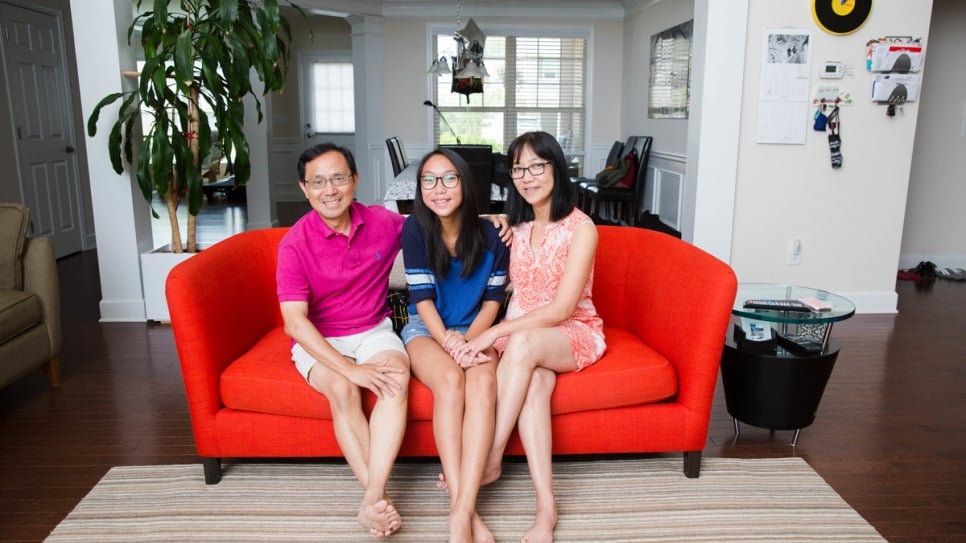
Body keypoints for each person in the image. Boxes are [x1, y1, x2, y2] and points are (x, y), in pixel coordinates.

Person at [452, 131, 606, 543]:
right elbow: (460, 220)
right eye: (519, 168)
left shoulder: (581, 228)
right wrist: (493, 218)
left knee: (521, 345)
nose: (527, 176)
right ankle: (546, 508)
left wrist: (498, 330)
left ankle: (491, 456)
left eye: (538, 166)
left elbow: (560, 309)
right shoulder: (515, 225)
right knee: (535, 385)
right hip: (524, 338)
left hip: (569, 330)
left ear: (557, 168)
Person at [276, 143, 409, 538]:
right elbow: (295, 324)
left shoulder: (382, 222)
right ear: (304, 188)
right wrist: (350, 369)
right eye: (317, 182)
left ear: (355, 180)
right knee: (343, 388)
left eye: (338, 178)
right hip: (319, 338)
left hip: (373, 330)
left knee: (396, 380)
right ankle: (377, 498)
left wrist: (497, 220)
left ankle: (372, 498)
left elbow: (439, 221)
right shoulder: (295, 244)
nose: (329, 190)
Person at [400, 149, 509, 543]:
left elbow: (494, 303)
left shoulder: (495, 235)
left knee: (482, 383)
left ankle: (460, 511)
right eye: (428, 180)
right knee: (449, 380)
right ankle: (463, 512)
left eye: (449, 178)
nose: (438, 188)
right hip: (427, 329)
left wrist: (471, 340)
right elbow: (422, 298)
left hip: (478, 329)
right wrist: (448, 339)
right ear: (420, 188)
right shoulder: (414, 228)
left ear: (465, 183)